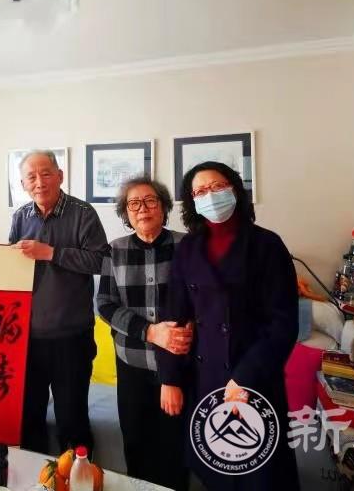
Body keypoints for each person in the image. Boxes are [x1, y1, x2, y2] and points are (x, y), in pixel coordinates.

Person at [157, 161, 300, 491]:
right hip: (204, 377)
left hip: (255, 377)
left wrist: (245, 376)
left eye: (217, 187)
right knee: (217, 469)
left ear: (235, 189)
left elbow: (283, 323)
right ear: (192, 202)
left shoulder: (267, 245)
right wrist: (170, 377)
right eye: (200, 191)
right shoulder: (188, 248)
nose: (210, 195)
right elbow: (174, 317)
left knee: (260, 472)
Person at [8, 150, 110, 455]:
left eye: (46, 173)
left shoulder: (83, 213)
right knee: (29, 418)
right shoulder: (21, 216)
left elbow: (101, 261)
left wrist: (52, 253)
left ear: (60, 176)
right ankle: (35, 476)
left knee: (72, 420)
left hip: (71, 337)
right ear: (23, 184)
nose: (39, 182)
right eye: (31, 177)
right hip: (28, 338)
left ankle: (79, 476)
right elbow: (12, 265)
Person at [96, 176, 191, 491]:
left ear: (163, 207)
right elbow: (104, 304)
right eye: (134, 204)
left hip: (178, 364)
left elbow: (202, 298)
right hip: (132, 363)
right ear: (126, 213)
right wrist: (149, 332)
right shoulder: (115, 250)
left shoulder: (187, 246)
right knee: (136, 444)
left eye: (150, 201)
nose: (143, 209)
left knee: (175, 447)